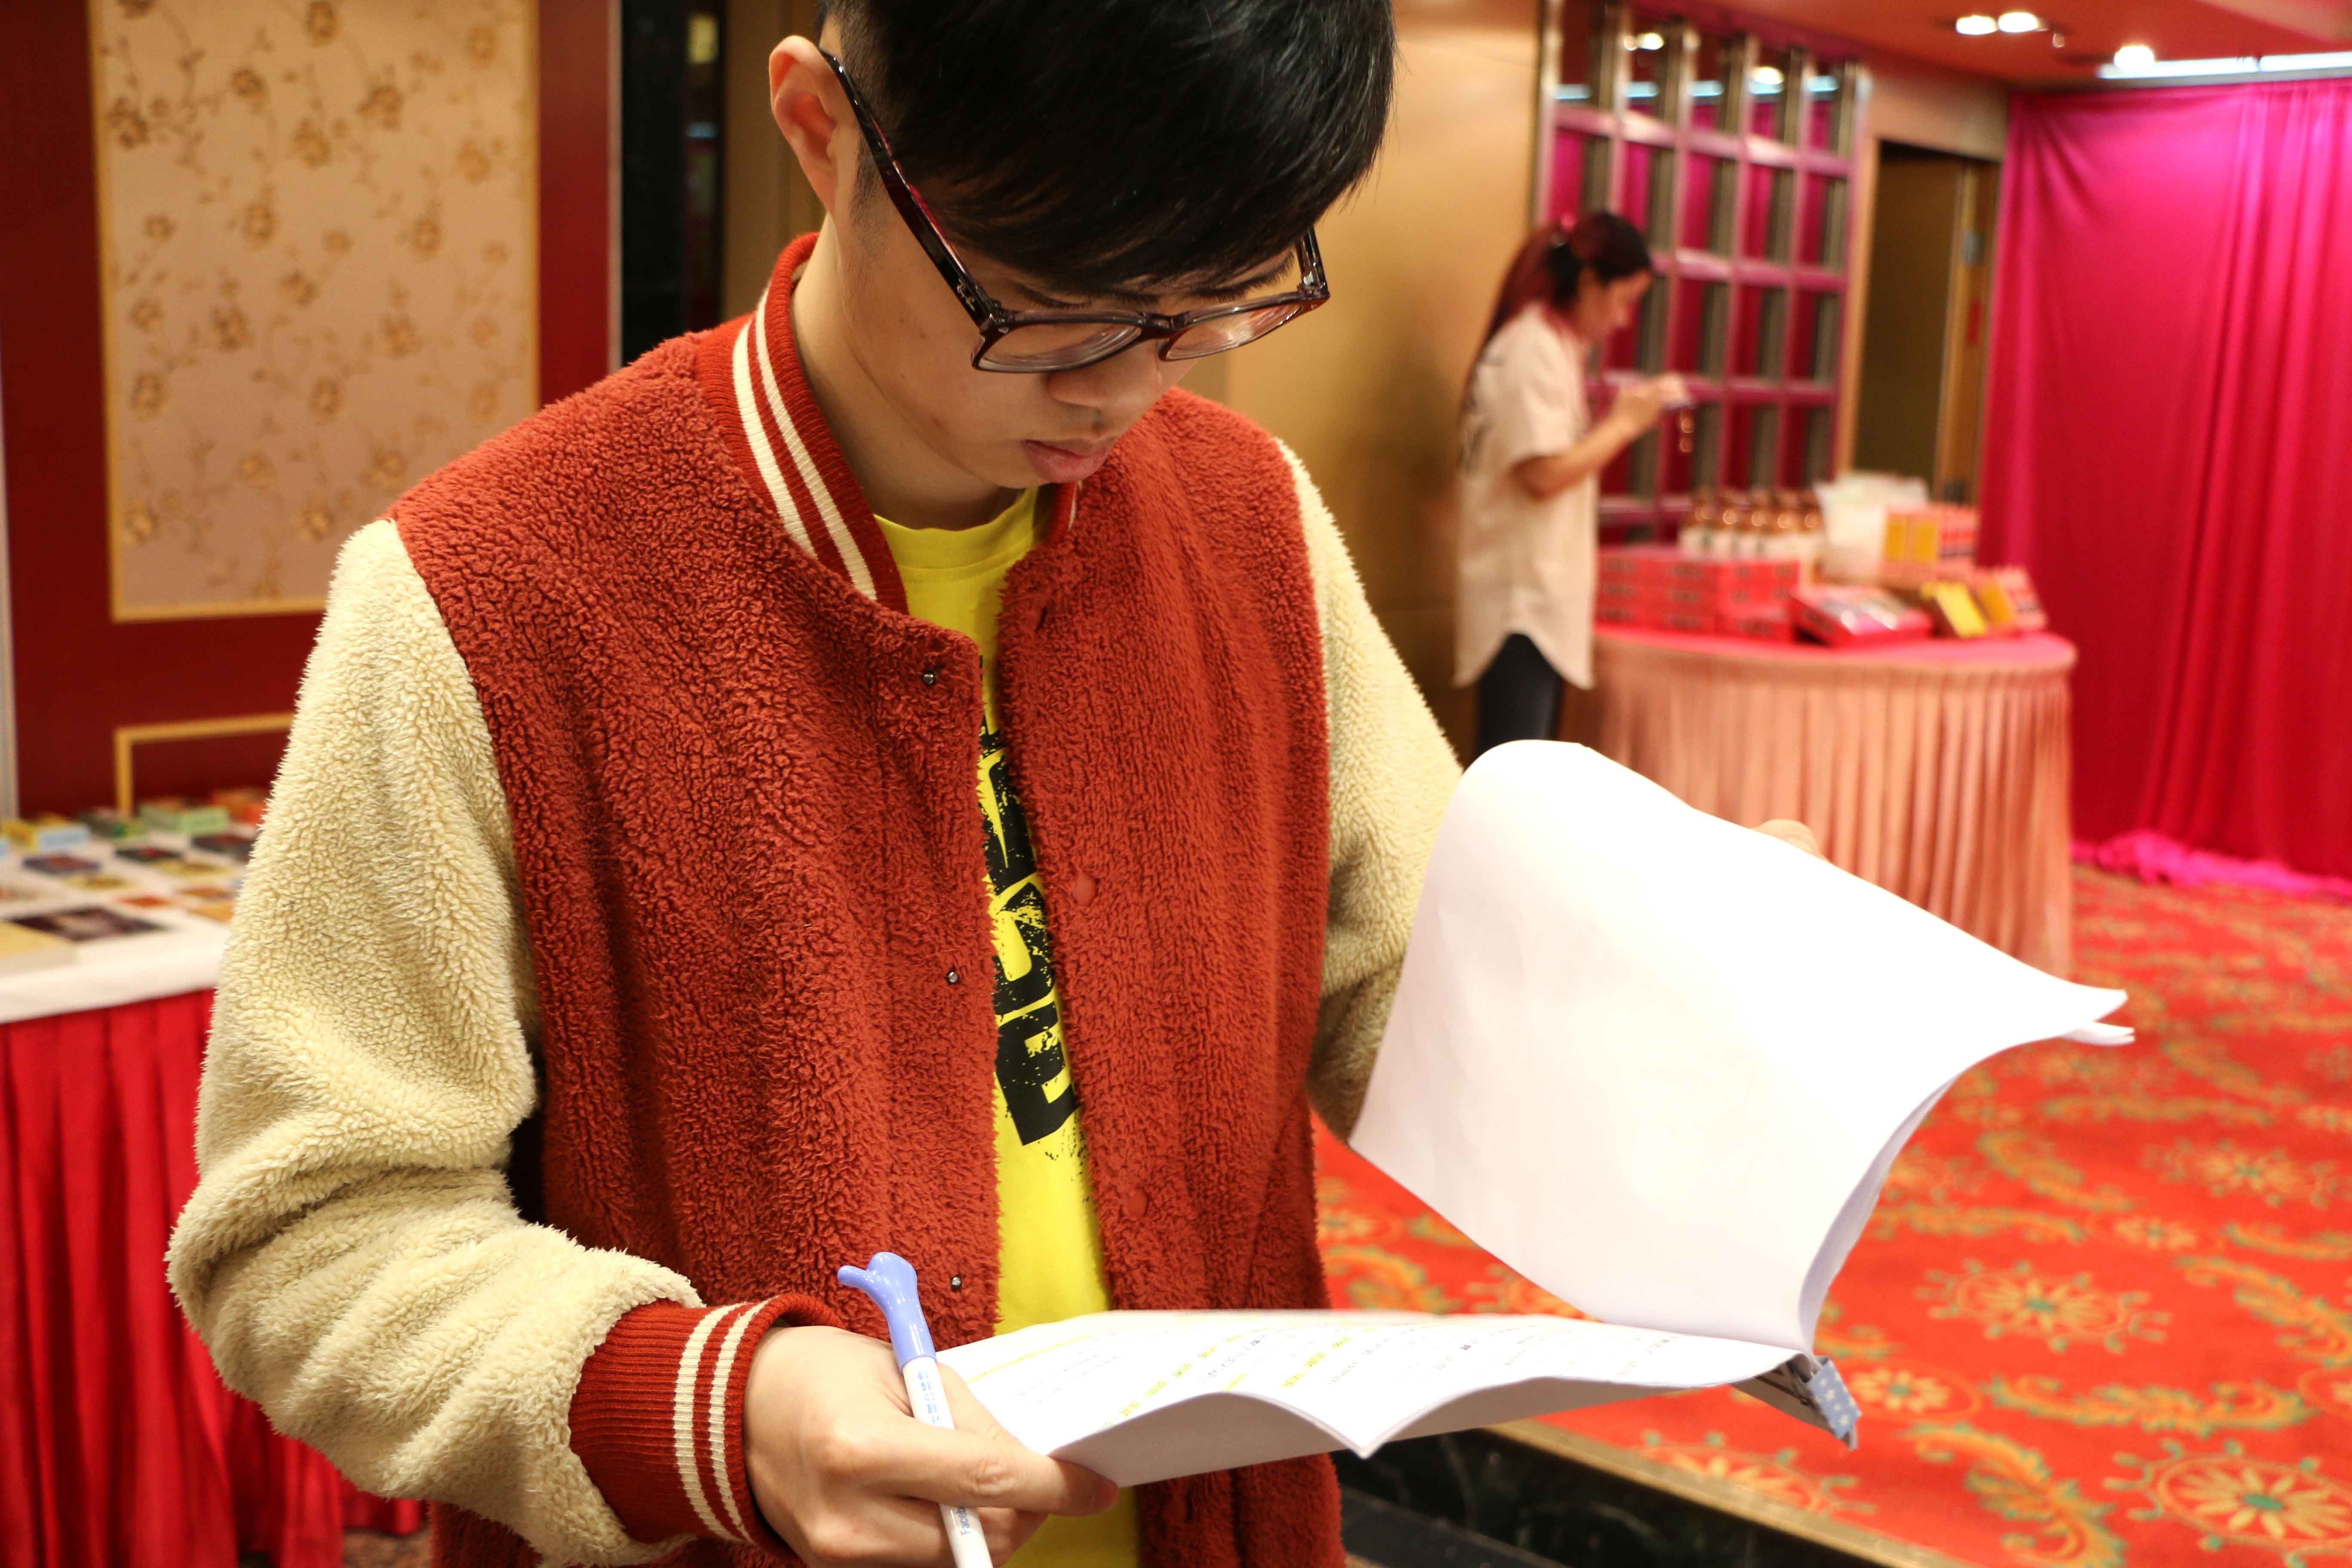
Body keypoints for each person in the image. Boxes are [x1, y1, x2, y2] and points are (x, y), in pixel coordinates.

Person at [165, 3, 1461, 1568]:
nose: (1123, 389)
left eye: (1209, 304)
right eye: (1048, 304)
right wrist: (725, 1408)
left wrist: (1655, 1049)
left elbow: (1417, 982)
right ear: (821, 129)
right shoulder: (490, 596)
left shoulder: (1246, 522)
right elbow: (308, 1233)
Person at [1455, 213, 1683, 753]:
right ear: (1588, 283)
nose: (1623, 321)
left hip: (1534, 597)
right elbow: (1542, 474)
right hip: (1521, 604)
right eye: (1623, 301)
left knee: (1526, 770)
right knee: (1515, 776)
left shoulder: (1553, 344)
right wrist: (1624, 425)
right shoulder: (1530, 348)